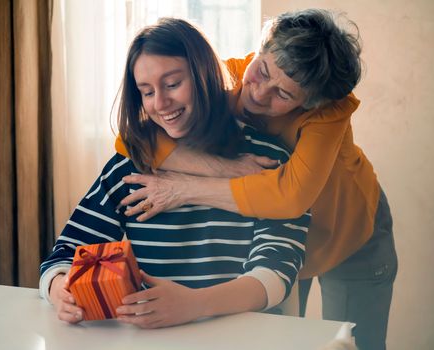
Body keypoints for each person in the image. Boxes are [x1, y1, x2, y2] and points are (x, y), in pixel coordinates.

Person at [116, 9, 397, 350]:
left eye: (284, 95)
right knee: (284, 339)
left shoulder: (329, 112)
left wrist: (184, 189)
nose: (260, 94)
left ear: (311, 102)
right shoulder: (227, 75)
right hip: (284, 234)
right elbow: (132, 138)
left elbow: (290, 197)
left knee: (352, 342)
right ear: (260, 49)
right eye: (262, 71)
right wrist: (227, 169)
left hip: (350, 231)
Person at [40, 17, 308, 329]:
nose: (160, 103)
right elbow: (66, 253)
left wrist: (195, 304)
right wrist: (61, 290)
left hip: (241, 334)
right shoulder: (131, 162)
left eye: (172, 84)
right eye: (146, 91)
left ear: (204, 75)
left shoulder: (268, 160)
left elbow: (277, 272)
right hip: (152, 335)